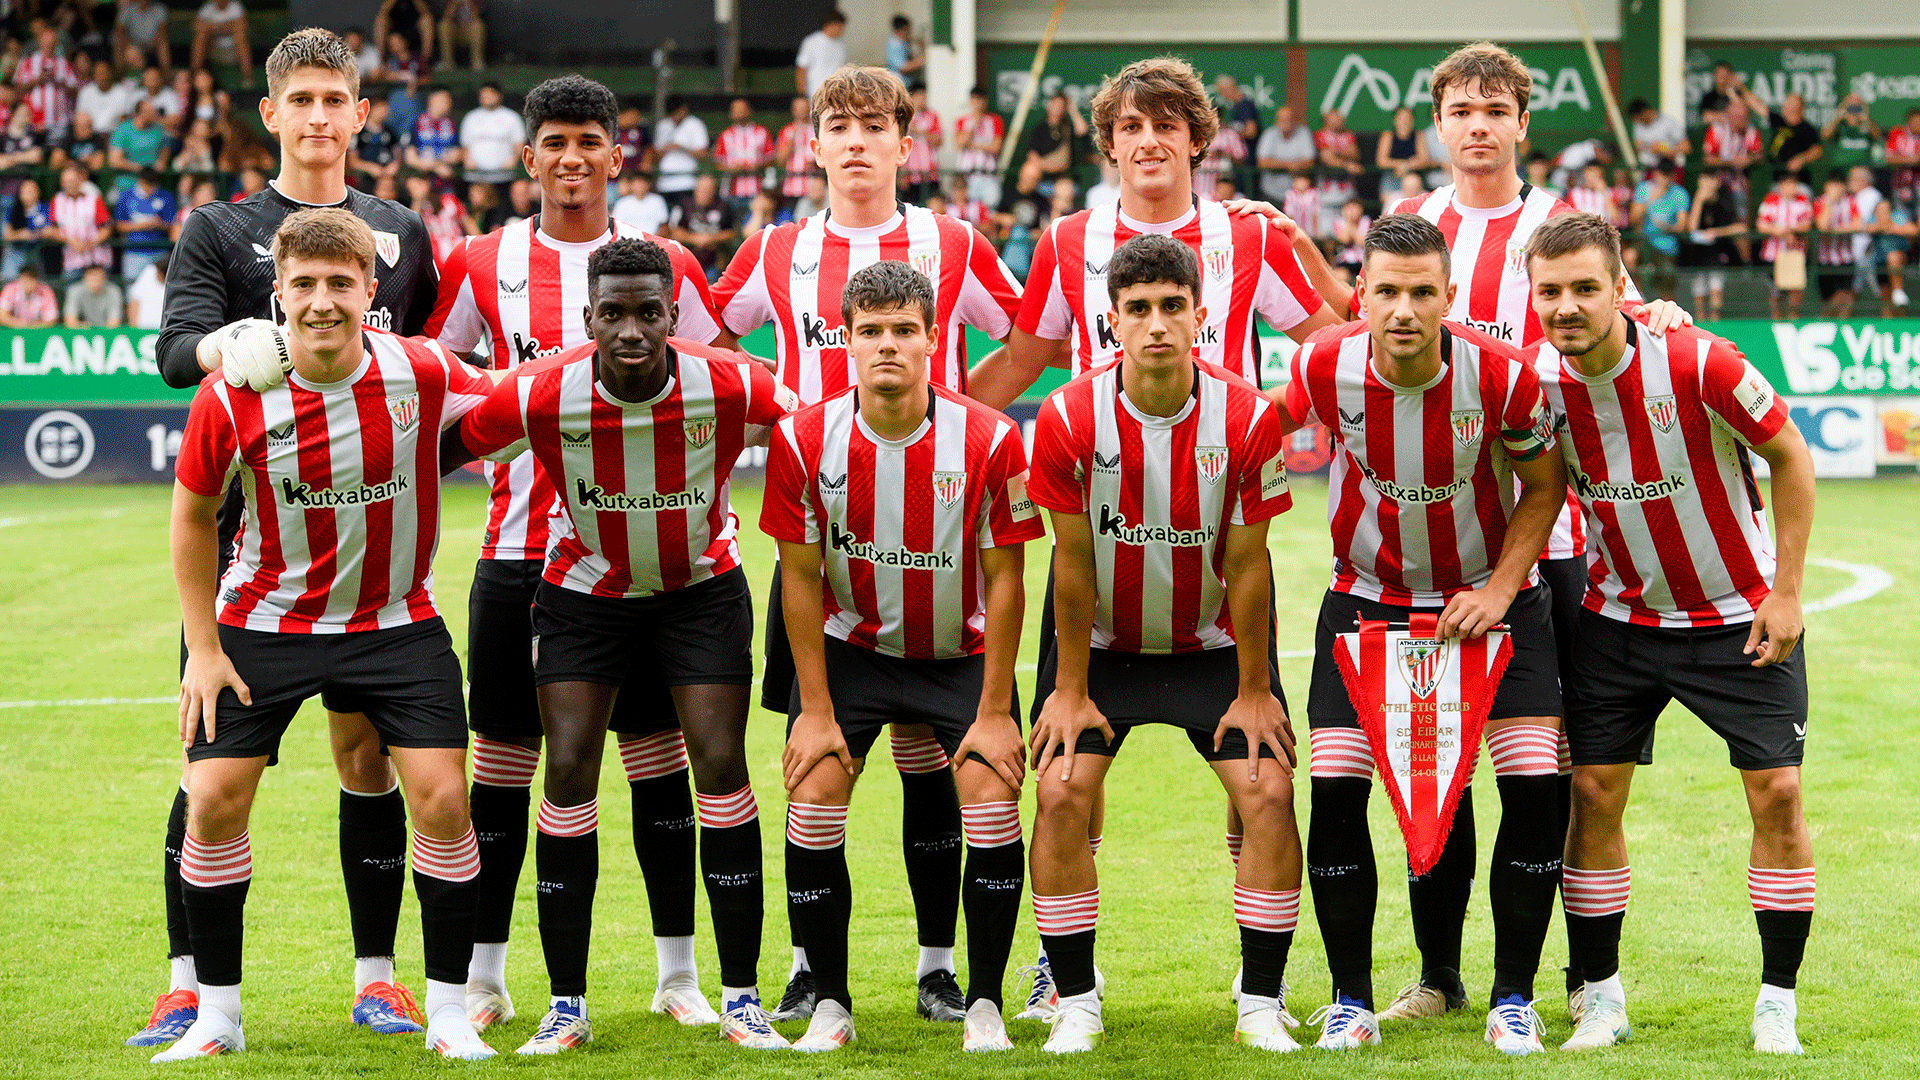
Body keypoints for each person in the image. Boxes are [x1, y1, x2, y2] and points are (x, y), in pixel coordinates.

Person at [141, 28, 439, 1052]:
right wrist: (226, 341)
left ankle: (379, 980)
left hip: (364, 562)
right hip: (243, 563)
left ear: (363, 114)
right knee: (211, 767)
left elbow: (413, 367)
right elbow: (174, 354)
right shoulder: (219, 231)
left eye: (335, 99)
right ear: (270, 114)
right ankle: (185, 987)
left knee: (369, 757)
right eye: (299, 99)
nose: (318, 116)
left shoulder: (400, 231)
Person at [422, 72, 732, 1042]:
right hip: (517, 555)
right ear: (528, 157)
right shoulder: (480, 261)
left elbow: (717, 387)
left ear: (615, 154)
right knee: (507, 767)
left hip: (640, 560)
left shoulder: (665, 264)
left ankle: (678, 974)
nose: (569, 159)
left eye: (587, 141)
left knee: (657, 762)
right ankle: (486, 976)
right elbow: (439, 386)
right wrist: (513, 396)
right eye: (551, 142)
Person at [713, 64, 1024, 1025]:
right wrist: (782, 427)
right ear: (812, 146)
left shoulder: (954, 242)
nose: (854, 141)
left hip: (937, 537)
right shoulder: (775, 248)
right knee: (821, 766)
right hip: (825, 529)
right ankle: (815, 969)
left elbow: (1026, 339)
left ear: (904, 141)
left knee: (937, 763)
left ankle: (941, 969)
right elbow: (715, 350)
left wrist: (960, 438)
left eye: (873, 125)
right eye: (836, 126)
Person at [159, 207, 498, 1063]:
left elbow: (513, 398)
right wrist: (203, 647)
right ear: (276, 294)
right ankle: (217, 1018)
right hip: (262, 623)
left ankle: (451, 1013)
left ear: (369, 291)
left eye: (339, 284)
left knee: (444, 800)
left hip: (394, 623)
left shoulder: (421, 369)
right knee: (211, 803)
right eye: (303, 285)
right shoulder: (230, 394)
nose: (320, 302)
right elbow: (194, 516)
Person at [455, 237, 801, 1053]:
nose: (632, 330)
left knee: (720, 766)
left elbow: (812, 435)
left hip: (701, 594)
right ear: (588, 319)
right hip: (583, 596)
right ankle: (566, 1005)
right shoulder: (543, 391)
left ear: (675, 316)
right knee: (569, 769)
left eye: (650, 312)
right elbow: (445, 447)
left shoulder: (731, 381)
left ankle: (742, 998)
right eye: (613, 314)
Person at [1525, 211, 1817, 1057]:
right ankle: (1602, 1000)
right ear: (1533, 299)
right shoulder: (1536, 385)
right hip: (1617, 621)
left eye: (1587, 286)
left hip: (1740, 615)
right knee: (1593, 796)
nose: (1568, 305)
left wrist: (1788, 592)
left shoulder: (1695, 359)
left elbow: (1790, 457)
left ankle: (1777, 1004)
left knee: (1779, 796)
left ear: (1624, 288)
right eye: (1551, 292)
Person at [1276, 213, 1567, 1053]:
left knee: (1534, 784)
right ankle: (1350, 1001)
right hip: (1364, 605)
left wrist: (1500, 591)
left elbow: (1543, 488)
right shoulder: (1321, 365)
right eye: (1386, 292)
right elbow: (1249, 438)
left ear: (1448, 298)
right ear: (1359, 295)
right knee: (1333, 788)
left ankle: (1515, 996)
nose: (1403, 310)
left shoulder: (1504, 377)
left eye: (1421, 293)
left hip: (1493, 610)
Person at [1024, 232, 1302, 1055]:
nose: (1156, 325)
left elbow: (1250, 566)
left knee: (1270, 794)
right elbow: (1069, 562)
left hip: (1213, 647)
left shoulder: (1248, 415)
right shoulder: (1069, 414)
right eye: (1137, 310)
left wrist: (1255, 689)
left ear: (1200, 315)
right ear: (1111, 322)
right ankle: (1075, 999)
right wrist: (1068, 690)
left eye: (1172, 308)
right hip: (1101, 648)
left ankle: (1259, 1000)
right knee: (1062, 792)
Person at [762, 260, 1043, 1053]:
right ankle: (831, 1005)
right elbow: (801, 580)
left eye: (904, 331)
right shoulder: (804, 438)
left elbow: (1008, 579)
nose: (887, 345)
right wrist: (814, 711)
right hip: (854, 651)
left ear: (932, 340)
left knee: (990, 798)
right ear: (845, 341)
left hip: (960, 655)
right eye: (870, 331)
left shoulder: (990, 438)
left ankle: (983, 1001)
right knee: (813, 793)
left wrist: (994, 712)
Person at [1683, 171, 1743, 321]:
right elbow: (1691, 228)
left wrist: (1715, 232)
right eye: (1703, 180)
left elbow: (1740, 228)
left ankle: (1715, 323)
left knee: (1716, 289)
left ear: (1716, 182)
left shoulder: (1725, 199)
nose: (1707, 184)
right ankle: (1701, 324)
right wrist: (1699, 200)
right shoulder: (1694, 198)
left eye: (1710, 180)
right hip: (1697, 254)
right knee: (1699, 293)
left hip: (1718, 252)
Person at [1757, 171, 1812, 319]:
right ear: (1780, 186)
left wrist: (1787, 230)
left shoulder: (1803, 200)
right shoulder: (1770, 200)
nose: (1790, 187)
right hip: (1773, 255)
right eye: (1787, 184)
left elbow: (1806, 225)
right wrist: (1782, 232)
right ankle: (1776, 323)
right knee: (1775, 293)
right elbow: (1761, 225)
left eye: (1793, 184)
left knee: (1795, 291)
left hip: (1795, 254)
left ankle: (1793, 322)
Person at [1631, 167, 1688, 301]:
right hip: (1644, 242)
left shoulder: (1679, 193)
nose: (1664, 179)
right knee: (1630, 257)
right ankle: (1639, 299)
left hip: (1666, 247)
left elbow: (1682, 226)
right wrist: (1650, 199)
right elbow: (1632, 219)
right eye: (1661, 174)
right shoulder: (1644, 189)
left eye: (1667, 175)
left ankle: (1666, 312)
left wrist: (1665, 227)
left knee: (1667, 281)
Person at [12, 21, 78, 136]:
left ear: (56, 43)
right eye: (46, 43)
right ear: (39, 42)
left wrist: (57, 82)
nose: (49, 46)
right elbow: (17, 90)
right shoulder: (26, 63)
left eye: (51, 43)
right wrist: (37, 80)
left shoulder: (64, 64)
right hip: (32, 124)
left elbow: (75, 92)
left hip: (60, 123)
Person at [669, 174, 738, 282]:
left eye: (709, 189)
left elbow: (732, 232)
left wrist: (710, 239)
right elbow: (673, 231)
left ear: (714, 191)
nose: (705, 193)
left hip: (714, 260)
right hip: (687, 259)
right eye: (702, 189)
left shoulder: (724, 206)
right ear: (696, 189)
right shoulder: (683, 205)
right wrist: (696, 239)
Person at [51, 162, 114, 280]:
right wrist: (69, 241)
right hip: (72, 261)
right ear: (62, 183)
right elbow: (51, 229)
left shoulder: (94, 199)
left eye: (73, 181)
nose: (70, 185)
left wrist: (89, 244)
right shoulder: (57, 201)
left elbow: (107, 227)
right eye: (66, 182)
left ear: (80, 181)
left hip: (97, 260)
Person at [460, 81, 524, 185]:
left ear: (499, 95)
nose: (487, 97)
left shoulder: (511, 117)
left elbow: (519, 144)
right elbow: (464, 146)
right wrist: (468, 161)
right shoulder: (470, 117)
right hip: (476, 176)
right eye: (484, 94)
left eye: (490, 93)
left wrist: (513, 161)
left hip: (505, 176)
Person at [715, 97, 772, 211]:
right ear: (731, 113)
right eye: (736, 109)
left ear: (750, 111)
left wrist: (757, 166)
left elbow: (771, 159)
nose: (740, 112)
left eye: (743, 109)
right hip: (731, 190)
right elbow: (717, 163)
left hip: (757, 188)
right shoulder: (725, 135)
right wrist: (733, 168)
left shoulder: (762, 132)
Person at [1314, 108, 1362, 235]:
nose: (1339, 120)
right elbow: (1326, 157)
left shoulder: (1348, 135)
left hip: (1347, 188)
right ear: (1326, 120)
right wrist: (1347, 164)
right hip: (1327, 189)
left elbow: (1354, 153)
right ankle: (1328, 255)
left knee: (1348, 226)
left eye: (1339, 117)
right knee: (1326, 231)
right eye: (1335, 117)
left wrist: (1335, 151)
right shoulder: (1320, 134)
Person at [954, 88, 1005, 207]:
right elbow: (959, 143)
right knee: (968, 210)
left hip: (988, 174)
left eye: (980, 99)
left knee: (990, 209)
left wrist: (971, 146)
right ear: (970, 100)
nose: (978, 103)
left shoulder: (995, 120)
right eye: (975, 99)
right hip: (967, 175)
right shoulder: (962, 121)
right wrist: (974, 124)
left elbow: (996, 147)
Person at [1024, 92, 1087, 188]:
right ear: (1049, 105)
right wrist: (1053, 167)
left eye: (1061, 105)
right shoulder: (1039, 129)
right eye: (1055, 104)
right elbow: (1032, 156)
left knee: (1064, 188)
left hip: (1065, 178)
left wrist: (1072, 110)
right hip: (1043, 177)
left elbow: (1082, 130)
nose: (1058, 108)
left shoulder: (1067, 127)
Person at [1256, 105, 1316, 204]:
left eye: (1289, 119)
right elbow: (1262, 162)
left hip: (1298, 195)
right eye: (1283, 120)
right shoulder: (1269, 134)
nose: (1286, 123)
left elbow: (1309, 161)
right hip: (1271, 193)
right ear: (1277, 121)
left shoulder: (1304, 132)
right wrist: (1290, 165)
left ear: (1295, 120)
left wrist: (1276, 163)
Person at [655, 95, 708, 199]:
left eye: (676, 113)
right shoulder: (663, 125)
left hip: (687, 182)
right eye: (672, 115)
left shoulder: (695, 124)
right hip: (664, 183)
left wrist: (681, 148)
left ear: (684, 110)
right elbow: (655, 155)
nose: (674, 118)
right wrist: (665, 149)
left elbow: (703, 154)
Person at [191, 0, 255, 85]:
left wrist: (212, 27)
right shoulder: (207, 8)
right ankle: (194, 77)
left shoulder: (235, 6)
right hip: (212, 50)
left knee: (240, 38)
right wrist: (228, 26)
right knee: (200, 37)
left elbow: (241, 26)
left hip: (233, 51)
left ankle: (247, 79)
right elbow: (197, 27)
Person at [406, 87, 461, 180]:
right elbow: (410, 158)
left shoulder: (451, 124)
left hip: (446, 178)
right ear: (432, 100)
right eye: (445, 99)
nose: (449, 103)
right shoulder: (417, 122)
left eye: (449, 100)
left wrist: (437, 164)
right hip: (420, 177)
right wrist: (435, 167)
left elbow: (457, 154)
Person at [350, 95, 402, 190]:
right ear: (370, 110)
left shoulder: (390, 131)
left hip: (388, 175)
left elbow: (397, 154)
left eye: (385, 108)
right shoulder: (358, 132)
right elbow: (353, 161)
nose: (383, 112)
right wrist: (370, 168)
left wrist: (394, 165)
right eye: (379, 108)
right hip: (367, 177)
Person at [902, 84, 943, 204]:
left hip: (930, 173)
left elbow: (938, 141)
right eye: (920, 95)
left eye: (924, 95)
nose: (923, 99)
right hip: (909, 173)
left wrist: (918, 130)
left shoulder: (932, 116)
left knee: (931, 207)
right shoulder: (903, 117)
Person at [1627, 98, 1688, 177]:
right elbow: (1637, 145)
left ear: (1645, 112)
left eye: (1638, 118)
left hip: (1668, 170)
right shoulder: (1638, 126)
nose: (1636, 121)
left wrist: (1665, 151)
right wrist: (1645, 146)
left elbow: (1686, 147)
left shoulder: (1668, 122)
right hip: (1648, 169)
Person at [1820, 94, 1877, 177]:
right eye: (1850, 107)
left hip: (1862, 171)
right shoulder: (1839, 125)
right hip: (1841, 170)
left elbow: (1877, 136)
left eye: (1857, 107)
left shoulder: (1867, 125)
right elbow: (1825, 135)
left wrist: (1865, 119)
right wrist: (1838, 117)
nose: (1853, 110)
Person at [795, 10, 848, 98]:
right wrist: (802, 94)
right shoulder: (812, 41)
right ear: (830, 25)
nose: (842, 30)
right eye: (839, 26)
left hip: (837, 94)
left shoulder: (841, 43)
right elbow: (801, 69)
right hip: (815, 93)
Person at [774, 94, 815, 205]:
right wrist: (790, 143)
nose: (803, 111)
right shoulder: (786, 131)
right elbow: (779, 161)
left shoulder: (818, 130)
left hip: (815, 186)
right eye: (799, 108)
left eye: (805, 107)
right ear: (793, 110)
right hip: (792, 187)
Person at [110, 97, 170, 169]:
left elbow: (165, 149)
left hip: (152, 177)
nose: (153, 115)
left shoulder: (158, 130)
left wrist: (161, 161)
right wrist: (137, 168)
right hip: (128, 177)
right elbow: (114, 161)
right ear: (139, 113)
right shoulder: (122, 130)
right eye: (149, 112)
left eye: (153, 111)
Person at [77, 54, 132, 132]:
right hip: (91, 135)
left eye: (103, 73)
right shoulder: (85, 92)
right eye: (98, 74)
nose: (101, 77)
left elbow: (123, 121)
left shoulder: (122, 92)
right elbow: (80, 118)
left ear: (110, 73)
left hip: (114, 135)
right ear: (93, 76)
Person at [1376, 105, 1433, 180]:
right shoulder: (1388, 135)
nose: (1404, 121)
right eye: (1401, 118)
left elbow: (1424, 160)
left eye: (1408, 118)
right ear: (1395, 120)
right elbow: (1381, 161)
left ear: (1412, 121)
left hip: (1414, 177)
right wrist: (1402, 165)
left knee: (1413, 181)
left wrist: (1406, 166)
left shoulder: (1418, 135)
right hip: (1392, 176)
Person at [115, 0, 174, 70]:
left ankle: (165, 74)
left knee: (163, 43)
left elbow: (161, 32)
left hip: (152, 44)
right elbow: (119, 31)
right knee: (118, 42)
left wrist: (149, 45)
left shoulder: (159, 9)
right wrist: (129, 44)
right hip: (131, 43)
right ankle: (119, 73)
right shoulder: (127, 9)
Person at [63, 261, 123, 327]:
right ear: (85, 277)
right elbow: (70, 321)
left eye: (99, 277)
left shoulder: (114, 291)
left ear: (105, 278)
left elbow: (114, 323)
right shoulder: (74, 290)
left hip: (107, 334)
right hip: (83, 332)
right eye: (92, 277)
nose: (95, 281)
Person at [0, 263, 59, 327]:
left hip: (37, 331)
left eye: (32, 279)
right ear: (19, 279)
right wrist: (20, 325)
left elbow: (52, 319)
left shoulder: (45, 290)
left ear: (37, 280)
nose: (29, 283)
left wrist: (32, 326)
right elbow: (2, 316)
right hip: (13, 330)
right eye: (26, 279)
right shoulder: (9, 289)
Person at [439, 0, 486, 71]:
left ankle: (477, 62)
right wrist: (454, 4)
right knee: (444, 25)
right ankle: (447, 62)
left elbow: (476, 17)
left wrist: (468, 3)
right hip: (455, 31)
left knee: (478, 25)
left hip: (468, 31)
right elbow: (446, 17)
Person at [127, 250, 167, 328]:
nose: (156, 274)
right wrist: (133, 328)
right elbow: (134, 300)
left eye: (159, 273)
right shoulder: (149, 272)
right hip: (142, 330)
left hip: (164, 331)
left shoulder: (177, 282)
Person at [885, 15, 924, 82]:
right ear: (900, 30)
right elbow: (904, 68)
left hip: (908, 81)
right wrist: (922, 60)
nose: (909, 32)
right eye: (907, 30)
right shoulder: (894, 45)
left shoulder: (903, 41)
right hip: (900, 82)